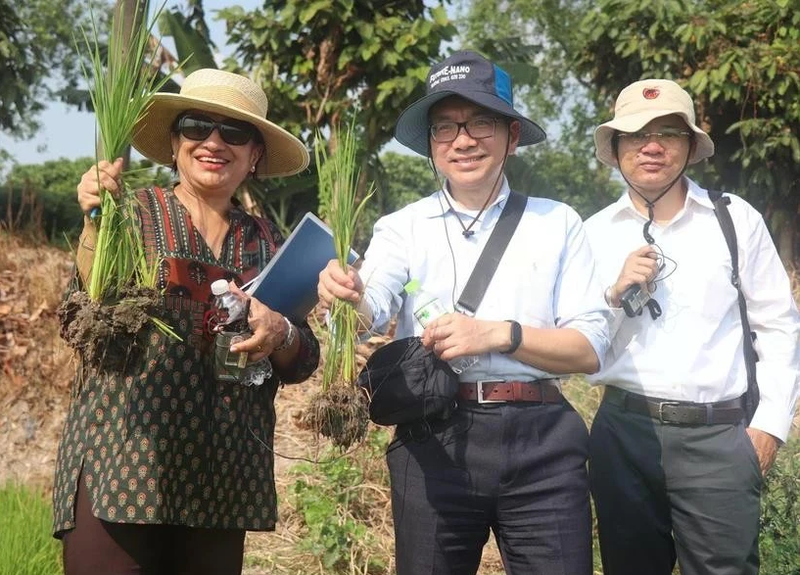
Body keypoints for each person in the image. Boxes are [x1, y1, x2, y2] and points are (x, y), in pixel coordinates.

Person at [318, 50, 610, 575]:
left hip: (543, 440)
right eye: (445, 127)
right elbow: (370, 306)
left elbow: (588, 350)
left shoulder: (558, 222)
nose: (463, 139)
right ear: (431, 143)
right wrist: (345, 292)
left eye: (481, 122)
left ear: (512, 136)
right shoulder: (402, 226)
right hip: (434, 439)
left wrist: (499, 334)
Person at [53, 69, 321, 575]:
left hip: (223, 478)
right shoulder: (130, 215)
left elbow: (304, 356)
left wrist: (279, 332)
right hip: (125, 462)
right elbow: (80, 316)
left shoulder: (272, 243)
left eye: (235, 133)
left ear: (255, 154)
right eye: (197, 126)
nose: (213, 143)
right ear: (175, 142)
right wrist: (94, 220)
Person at [584, 79, 800, 575]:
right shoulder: (591, 234)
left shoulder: (733, 219)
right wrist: (614, 294)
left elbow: (779, 325)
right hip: (623, 433)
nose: (652, 146)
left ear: (690, 147)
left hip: (718, 434)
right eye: (635, 134)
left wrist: (768, 427)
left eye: (668, 133)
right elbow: (580, 342)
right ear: (615, 149)